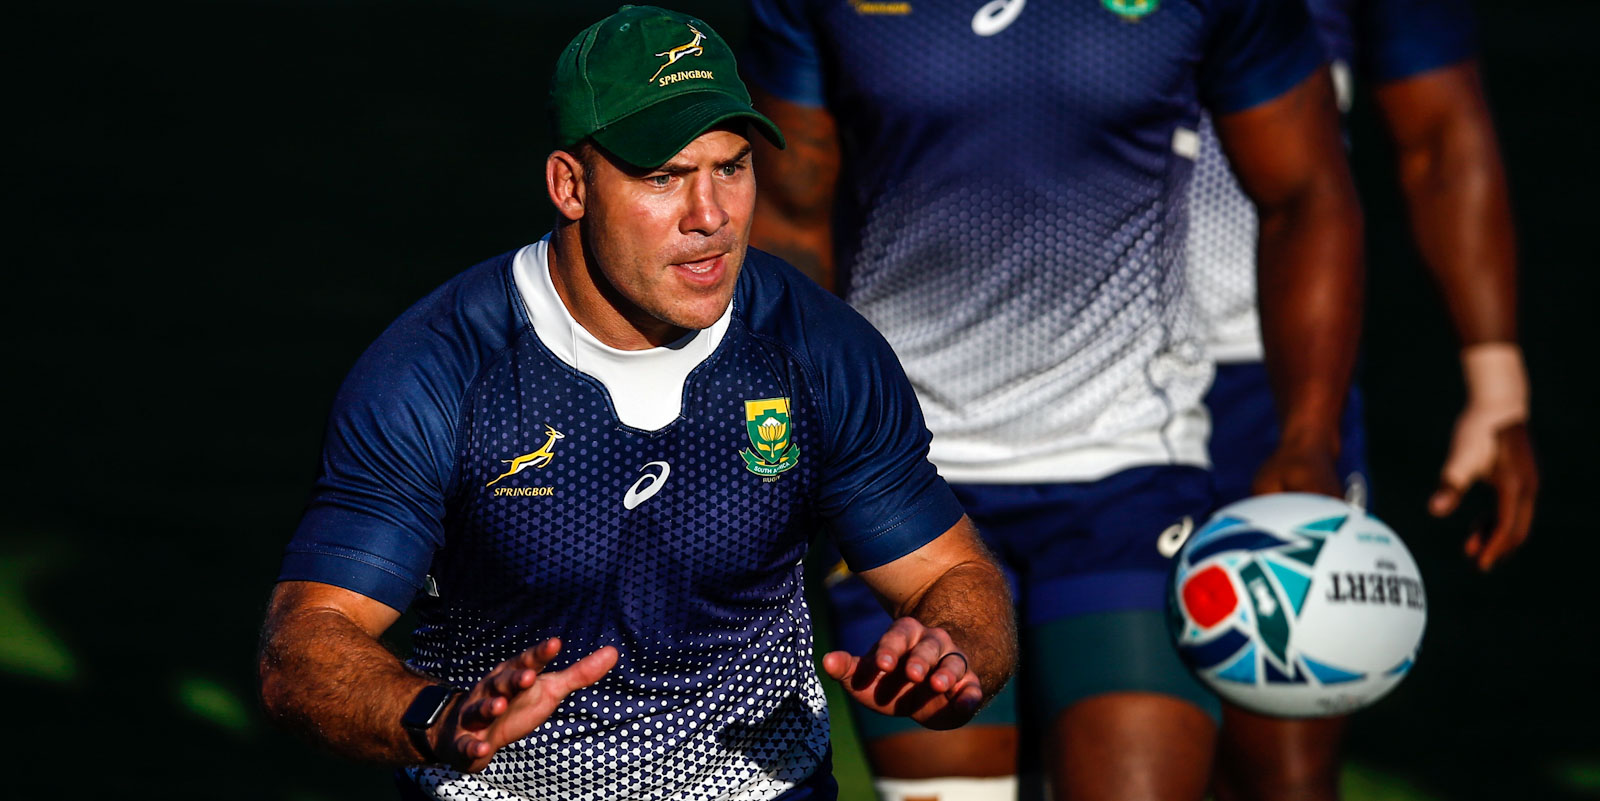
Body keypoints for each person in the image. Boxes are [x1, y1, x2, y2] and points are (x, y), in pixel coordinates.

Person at [255, 7, 1017, 801]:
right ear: (571, 186)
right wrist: (440, 716)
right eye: (664, 177)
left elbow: (953, 573)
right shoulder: (438, 370)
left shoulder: (818, 350)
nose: (711, 216)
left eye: (732, 167)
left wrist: (951, 647)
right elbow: (306, 642)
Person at [743, 1, 1362, 800]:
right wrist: (788, 447)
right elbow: (786, 220)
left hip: (1128, 467)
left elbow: (1308, 189)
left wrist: (1309, 435)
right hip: (899, 483)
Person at [1189, 1, 1539, 799]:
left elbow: (1438, 129)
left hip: (1269, 378)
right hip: (1026, 381)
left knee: (1284, 748)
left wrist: (1496, 383)